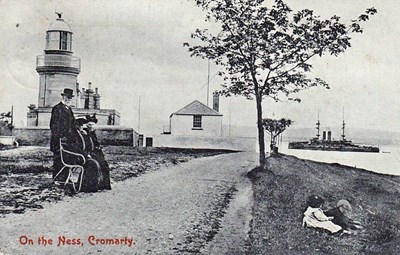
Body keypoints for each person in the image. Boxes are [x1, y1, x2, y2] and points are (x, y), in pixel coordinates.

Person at [65, 117, 101, 192]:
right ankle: (88, 187)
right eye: (81, 126)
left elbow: (86, 145)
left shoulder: (80, 133)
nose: (83, 127)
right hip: (74, 156)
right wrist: (85, 155)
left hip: (80, 155)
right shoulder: (73, 134)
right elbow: (74, 148)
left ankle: (96, 185)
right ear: (77, 126)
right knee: (92, 163)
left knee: (98, 161)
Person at [50, 88, 76, 182]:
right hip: (59, 139)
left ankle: (66, 178)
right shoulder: (57, 108)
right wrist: (60, 136)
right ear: (63, 97)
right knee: (58, 159)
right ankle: (57, 178)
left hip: (68, 140)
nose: (68, 99)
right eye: (67, 97)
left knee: (67, 158)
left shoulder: (69, 109)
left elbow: (72, 123)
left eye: (70, 97)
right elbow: (54, 125)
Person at [84, 114, 112, 190]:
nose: (91, 126)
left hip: (96, 152)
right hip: (89, 153)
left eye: (92, 125)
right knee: (96, 164)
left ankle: (103, 185)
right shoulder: (85, 134)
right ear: (86, 125)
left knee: (104, 164)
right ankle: (93, 185)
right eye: (89, 125)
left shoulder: (93, 134)